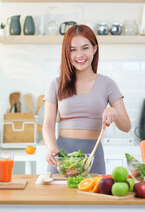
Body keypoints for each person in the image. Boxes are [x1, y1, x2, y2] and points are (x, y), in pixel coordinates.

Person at [42, 24, 131, 174]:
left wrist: (113, 111)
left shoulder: (107, 84)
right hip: (62, 159)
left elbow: (126, 126)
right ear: (66, 53)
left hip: (93, 157)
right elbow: (48, 125)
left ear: (94, 49)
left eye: (85, 48)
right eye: (73, 50)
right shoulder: (56, 84)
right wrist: (51, 147)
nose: (79, 55)